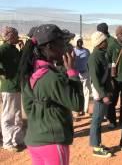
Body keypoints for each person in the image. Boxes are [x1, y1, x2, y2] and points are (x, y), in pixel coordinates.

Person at [19, 24, 84, 164]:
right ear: (49, 46)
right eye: (62, 44)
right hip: (52, 142)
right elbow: (77, 104)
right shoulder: (50, 77)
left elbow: (29, 107)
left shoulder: (32, 72)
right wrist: (72, 72)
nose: (65, 49)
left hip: (35, 139)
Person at [88, 31, 113, 158]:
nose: (107, 42)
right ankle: (96, 147)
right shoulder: (94, 57)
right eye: (104, 41)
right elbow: (96, 79)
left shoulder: (103, 54)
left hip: (105, 90)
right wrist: (103, 95)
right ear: (99, 43)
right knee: (97, 120)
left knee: (99, 119)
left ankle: (98, 144)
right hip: (100, 92)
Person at [0, 26, 24, 152]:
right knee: (8, 116)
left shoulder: (14, 49)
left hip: (16, 86)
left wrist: (21, 49)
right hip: (8, 87)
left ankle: (18, 140)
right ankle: (7, 143)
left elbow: (19, 63)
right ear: (10, 37)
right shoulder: (3, 49)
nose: (18, 37)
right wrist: (3, 73)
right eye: (16, 35)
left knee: (17, 115)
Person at [96, 22, 118, 127]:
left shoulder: (109, 42)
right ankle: (108, 116)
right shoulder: (107, 40)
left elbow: (113, 60)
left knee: (111, 98)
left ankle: (112, 120)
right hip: (105, 73)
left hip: (111, 73)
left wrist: (111, 75)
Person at [73, 37, 91, 115]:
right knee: (77, 92)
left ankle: (85, 109)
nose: (80, 43)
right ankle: (77, 110)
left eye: (81, 41)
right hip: (76, 75)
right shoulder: (72, 51)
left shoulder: (86, 51)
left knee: (86, 91)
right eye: (78, 41)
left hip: (85, 74)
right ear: (75, 42)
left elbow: (89, 61)